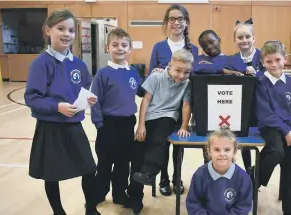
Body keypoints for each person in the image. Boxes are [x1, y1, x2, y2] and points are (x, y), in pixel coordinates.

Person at [24, 9, 100, 215]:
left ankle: (90, 208)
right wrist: (57, 107)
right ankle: (58, 211)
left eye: (71, 30)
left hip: (73, 126)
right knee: (52, 174)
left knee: (89, 169)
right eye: (61, 29)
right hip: (50, 128)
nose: (67, 34)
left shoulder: (78, 64)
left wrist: (88, 98)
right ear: (48, 30)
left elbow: (84, 88)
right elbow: (31, 98)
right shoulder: (40, 64)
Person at [148, 3, 199, 196]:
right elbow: (150, 74)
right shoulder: (159, 47)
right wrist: (156, 72)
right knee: (162, 143)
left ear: (186, 23)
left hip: (183, 104)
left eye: (180, 19)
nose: (176, 23)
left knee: (178, 143)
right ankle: (163, 179)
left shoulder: (193, 48)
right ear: (166, 23)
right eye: (172, 19)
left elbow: (197, 75)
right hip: (161, 107)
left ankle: (177, 178)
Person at [90, 28, 143, 209]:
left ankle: (120, 194)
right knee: (105, 162)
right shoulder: (103, 73)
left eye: (123, 45)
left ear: (129, 49)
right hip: (108, 124)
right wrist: (99, 124)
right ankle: (99, 193)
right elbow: (94, 100)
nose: (119, 48)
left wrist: (160, 74)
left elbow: (142, 90)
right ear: (108, 48)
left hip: (127, 124)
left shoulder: (133, 72)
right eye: (115, 45)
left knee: (123, 163)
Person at [253, 40, 291, 215]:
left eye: (277, 60)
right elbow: (266, 114)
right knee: (276, 151)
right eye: (269, 61)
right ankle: (251, 181)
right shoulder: (261, 82)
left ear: (284, 59)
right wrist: (286, 131)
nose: (274, 65)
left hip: (290, 130)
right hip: (271, 126)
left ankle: (290, 210)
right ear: (263, 62)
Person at [132, 48, 193, 195]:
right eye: (178, 70)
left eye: (186, 72)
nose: (182, 75)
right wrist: (141, 125)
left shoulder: (187, 83)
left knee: (160, 138)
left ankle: (149, 173)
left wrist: (184, 126)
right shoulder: (155, 77)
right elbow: (145, 101)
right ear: (170, 64)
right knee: (139, 144)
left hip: (169, 116)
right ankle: (134, 191)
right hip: (151, 117)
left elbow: (186, 105)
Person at [186, 127, 253, 215]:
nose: (222, 154)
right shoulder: (199, 175)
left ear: (235, 151)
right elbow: (193, 204)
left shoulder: (243, 178)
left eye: (227, 150)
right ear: (209, 151)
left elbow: (243, 206)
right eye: (216, 149)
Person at [230, 18, 265, 170]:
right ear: (235, 40)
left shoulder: (263, 57)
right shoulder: (232, 60)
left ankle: (258, 170)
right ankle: (248, 170)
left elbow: (271, 78)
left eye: (247, 37)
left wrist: (257, 74)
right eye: (240, 37)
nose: (244, 40)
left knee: (264, 141)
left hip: (262, 106)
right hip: (241, 107)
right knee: (244, 141)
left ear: (254, 38)